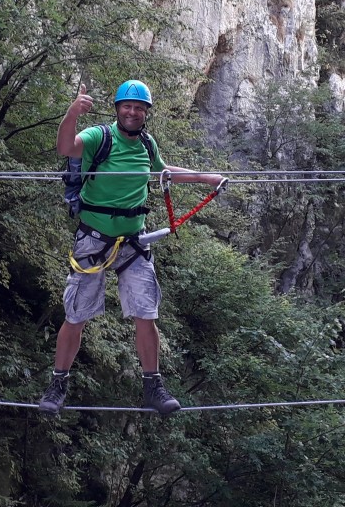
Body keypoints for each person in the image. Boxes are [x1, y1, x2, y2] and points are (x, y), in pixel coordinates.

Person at [39, 80, 224, 416]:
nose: (133, 112)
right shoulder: (100, 137)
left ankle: (153, 386)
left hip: (133, 243)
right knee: (76, 315)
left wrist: (205, 177)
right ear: (118, 109)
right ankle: (58, 384)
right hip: (93, 240)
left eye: (139, 108)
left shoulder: (146, 144)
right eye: (128, 106)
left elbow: (163, 172)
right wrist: (72, 112)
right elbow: (66, 147)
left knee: (146, 313)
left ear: (146, 113)